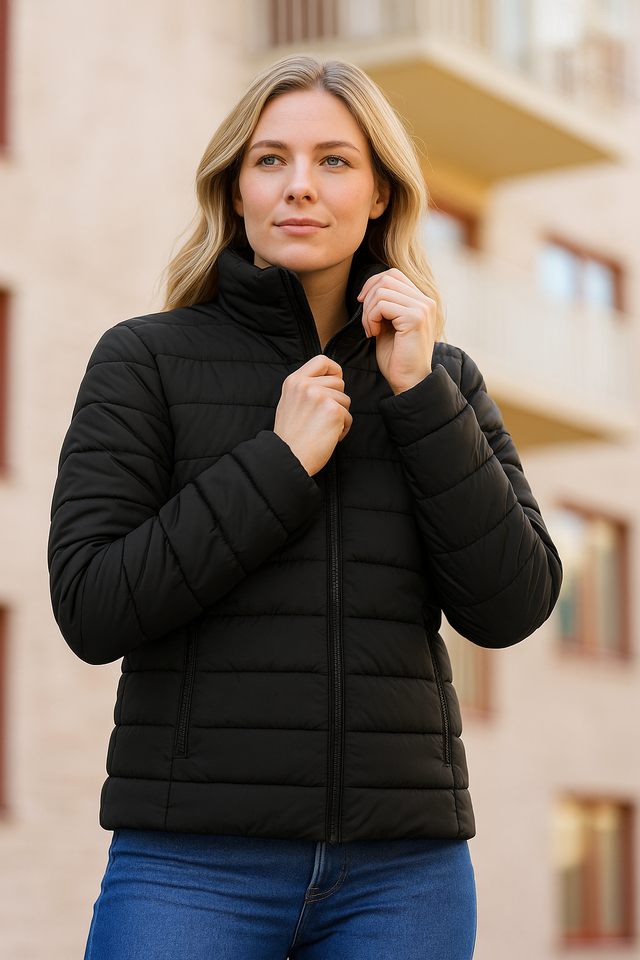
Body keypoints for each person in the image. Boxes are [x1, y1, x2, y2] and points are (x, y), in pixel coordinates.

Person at [48, 55, 562, 960]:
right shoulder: (144, 360)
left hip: (404, 874)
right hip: (192, 865)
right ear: (235, 189)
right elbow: (92, 606)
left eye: (333, 160)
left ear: (379, 194)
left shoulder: (442, 381)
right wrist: (279, 464)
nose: (299, 186)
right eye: (270, 160)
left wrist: (420, 401)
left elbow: (512, 605)